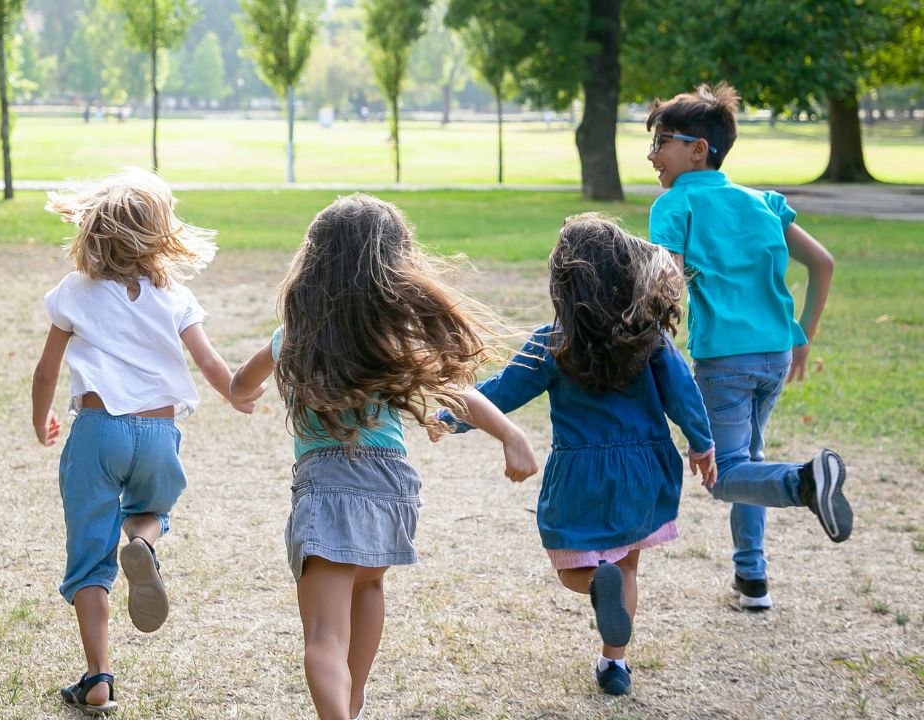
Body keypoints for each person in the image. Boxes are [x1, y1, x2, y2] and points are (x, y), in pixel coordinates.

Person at [229, 194, 538, 720]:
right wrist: (510, 434)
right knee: (369, 584)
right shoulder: (392, 335)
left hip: (327, 485)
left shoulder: (293, 337)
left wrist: (242, 394)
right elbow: (458, 389)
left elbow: (241, 383)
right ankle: (353, 700)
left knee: (323, 638)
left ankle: (340, 713)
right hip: (391, 484)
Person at [433, 214, 717, 696]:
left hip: (581, 472)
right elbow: (683, 393)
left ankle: (593, 586)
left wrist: (452, 416)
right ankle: (615, 664)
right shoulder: (648, 336)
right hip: (644, 468)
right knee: (626, 562)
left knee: (573, 565)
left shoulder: (553, 340)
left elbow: (504, 390)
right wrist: (702, 443)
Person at [32, 169, 260, 716]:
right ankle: (146, 543)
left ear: (92, 233)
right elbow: (207, 361)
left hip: (97, 430)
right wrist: (234, 393)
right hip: (159, 433)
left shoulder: (73, 292)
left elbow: (46, 370)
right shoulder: (173, 294)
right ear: (160, 237)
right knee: (151, 510)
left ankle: (98, 678)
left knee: (90, 557)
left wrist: (40, 420)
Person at [646, 82, 851, 611]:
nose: (652, 154)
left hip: (725, 360)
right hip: (777, 354)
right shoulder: (763, 202)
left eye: (662, 141)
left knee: (725, 475)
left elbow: (664, 286)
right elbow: (823, 264)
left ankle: (805, 482)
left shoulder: (674, 204)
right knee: (747, 462)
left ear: (698, 149)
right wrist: (803, 336)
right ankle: (752, 580)